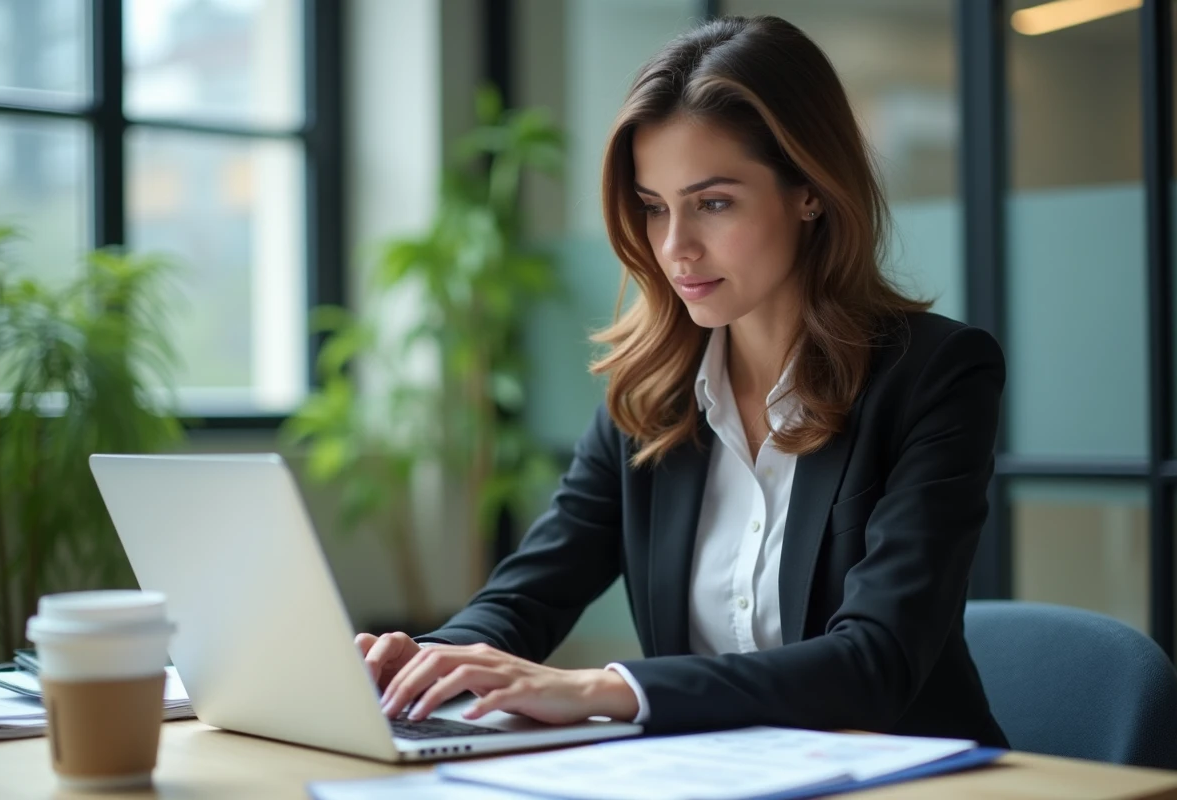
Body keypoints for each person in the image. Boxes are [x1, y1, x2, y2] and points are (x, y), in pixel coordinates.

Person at [356, 14, 1008, 748]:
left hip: (905, 778)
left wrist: (605, 689)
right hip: (710, 778)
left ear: (810, 191)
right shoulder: (653, 392)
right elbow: (528, 594)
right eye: (653, 207)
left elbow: (874, 665)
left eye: (714, 203)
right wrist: (426, 661)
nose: (675, 248)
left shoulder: (935, 376)